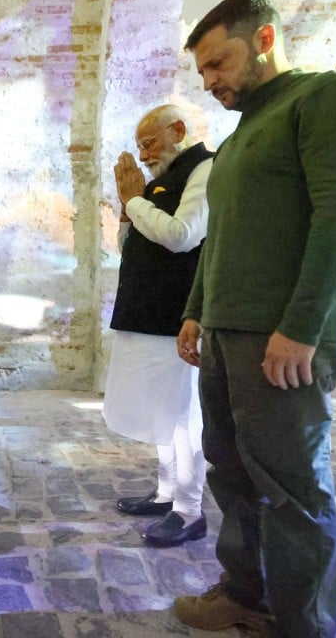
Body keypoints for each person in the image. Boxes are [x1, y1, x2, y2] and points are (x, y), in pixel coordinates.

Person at [174, 0, 336, 638]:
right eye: (203, 72)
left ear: (264, 39)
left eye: (219, 63)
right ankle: (245, 592)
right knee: (231, 470)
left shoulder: (325, 99)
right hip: (226, 338)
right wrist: (194, 312)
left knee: (292, 487)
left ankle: (305, 626)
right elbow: (222, 239)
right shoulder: (237, 143)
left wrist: (300, 328)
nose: (210, 82)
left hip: (283, 339)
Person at [103, 104, 212, 547]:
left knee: (185, 414)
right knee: (162, 410)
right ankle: (168, 492)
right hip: (148, 312)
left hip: (179, 314)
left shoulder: (204, 170)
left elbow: (183, 234)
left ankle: (189, 511)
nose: (144, 154)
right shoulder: (158, 181)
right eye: (140, 145)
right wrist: (129, 212)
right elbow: (132, 245)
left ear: (178, 131)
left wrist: (134, 200)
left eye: (149, 142)